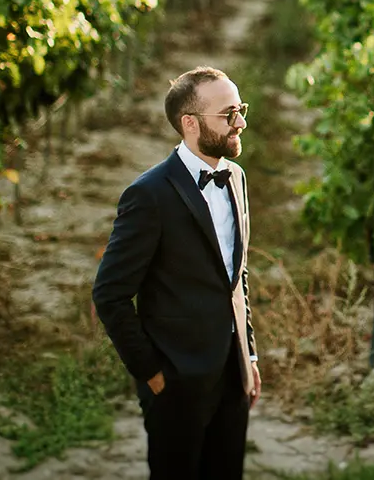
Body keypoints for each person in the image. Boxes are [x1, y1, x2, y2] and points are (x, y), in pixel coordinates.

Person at [93, 66, 261, 479]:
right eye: (228, 114)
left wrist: (249, 353)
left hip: (231, 374)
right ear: (190, 123)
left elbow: (235, 276)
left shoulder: (235, 178)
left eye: (240, 109)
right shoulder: (148, 195)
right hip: (175, 383)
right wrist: (151, 373)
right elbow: (109, 294)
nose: (240, 121)